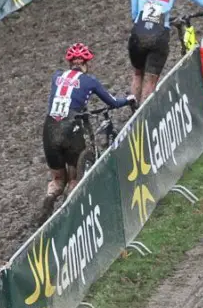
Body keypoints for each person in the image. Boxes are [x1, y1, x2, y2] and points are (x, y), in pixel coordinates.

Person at [42, 43, 134, 216]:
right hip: (71, 126)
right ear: (85, 63)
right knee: (75, 177)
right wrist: (128, 99)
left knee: (58, 179)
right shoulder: (90, 80)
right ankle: (71, 212)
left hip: (50, 127)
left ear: (70, 63)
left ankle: (50, 196)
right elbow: (112, 102)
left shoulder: (56, 76)